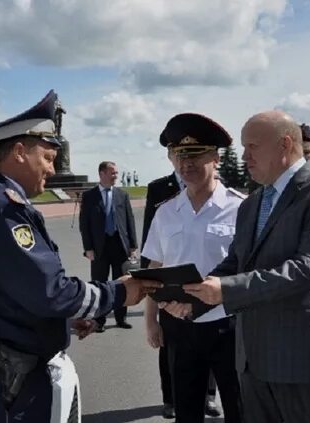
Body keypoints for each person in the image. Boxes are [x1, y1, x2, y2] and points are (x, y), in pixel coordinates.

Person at [0, 90, 161, 423]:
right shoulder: (3, 209)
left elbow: (12, 291)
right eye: (48, 157)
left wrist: (62, 320)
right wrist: (121, 292)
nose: (52, 168)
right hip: (8, 380)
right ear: (20, 152)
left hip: (2, 372)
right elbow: (50, 290)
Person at [169, 110, 310, 423]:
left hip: (301, 358)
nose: (244, 156)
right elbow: (235, 263)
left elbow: (308, 268)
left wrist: (224, 290)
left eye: (252, 146)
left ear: (284, 144)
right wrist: (192, 296)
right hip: (252, 359)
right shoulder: (252, 203)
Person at [141, 113, 243, 423]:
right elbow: (154, 268)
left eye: (196, 154)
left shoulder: (241, 207)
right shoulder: (166, 213)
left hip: (230, 325)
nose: (187, 163)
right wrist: (151, 321)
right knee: (186, 410)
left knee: (240, 408)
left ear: (215, 157)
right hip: (179, 326)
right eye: (179, 155)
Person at [140, 146, 183, 419]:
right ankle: (170, 398)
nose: (185, 160)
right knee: (169, 345)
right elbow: (150, 230)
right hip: (168, 274)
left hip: (207, 284)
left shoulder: (221, 192)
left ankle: (209, 396)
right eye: (178, 153)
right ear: (170, 157)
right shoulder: (159, 188)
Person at [79, 161, 138, 332]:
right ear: (102, 174)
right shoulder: (90, 196)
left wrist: (132, 245)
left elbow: (129, 220)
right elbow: (85, 224)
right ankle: (99, 321)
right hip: (99, 247)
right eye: (112, 173)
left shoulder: (122, 195)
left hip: (120, 245)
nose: (116, 177)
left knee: (122, 283)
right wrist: (88, 248)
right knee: (99, 284)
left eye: (116, 173)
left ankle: (121, 318)